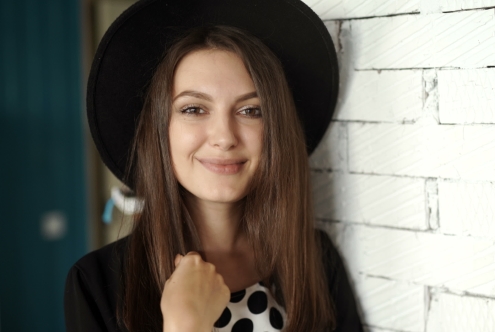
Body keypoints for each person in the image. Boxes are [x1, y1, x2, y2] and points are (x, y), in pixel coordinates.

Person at [64, 0, 362, 331]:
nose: (224, 137)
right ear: (159, 130)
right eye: (193, 109)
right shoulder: (97, 284)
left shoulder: (317, 263)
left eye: (251, 110)